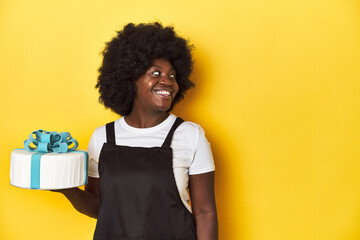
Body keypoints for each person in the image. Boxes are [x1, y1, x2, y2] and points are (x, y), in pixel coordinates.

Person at [56, 22, 218, 240]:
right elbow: (100, 208)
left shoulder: (190, 135)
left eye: (172, 75)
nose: (167, 82)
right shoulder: (103, 137)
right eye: (156, 73)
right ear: (130, 78)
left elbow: (205, 212)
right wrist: (67, 190)